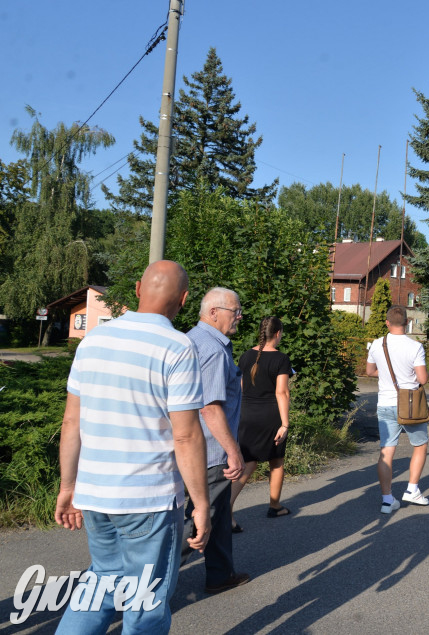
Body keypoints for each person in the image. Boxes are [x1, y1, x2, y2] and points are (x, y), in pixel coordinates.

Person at [54, 260, 210, 634]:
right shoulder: (178, 348)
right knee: (146, 603)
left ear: (138, 289)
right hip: (147, 499)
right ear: (185, 300)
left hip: (95, 493)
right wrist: (202, 503)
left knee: (102, 583)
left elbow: (71, 422)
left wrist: (68, 486)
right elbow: (186, 435)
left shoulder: (92, 341)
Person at [184, 287, 249, 594]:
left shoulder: (197, 340)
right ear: (213, 313)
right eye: (234, 311)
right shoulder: (211, 349)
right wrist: (232, 451)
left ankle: (221, 574)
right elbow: (210, 407)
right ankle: (148, 584)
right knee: (200, 520)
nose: (239, 316)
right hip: (210, 450)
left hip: (199, 447)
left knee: (220, 513)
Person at [365, 305, 429, 514]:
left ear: (387, 322)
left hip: (385, 403)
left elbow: (369, 371)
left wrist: (385, 374)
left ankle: (387, 500)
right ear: (407, 322)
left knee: (386, 451)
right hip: (410, 404)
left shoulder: (376, 344)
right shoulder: (415, 346)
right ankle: (412, 490)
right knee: (420, 445)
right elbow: (423, 379)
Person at [230, 316, 292, 525]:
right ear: (277, 333)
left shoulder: (246, 356)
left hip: (246, 414)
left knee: (247, 463)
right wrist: (285, 423)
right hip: (270, 417)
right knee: (276, 461)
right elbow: (281, 392)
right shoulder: (281, 359)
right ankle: (274, 506)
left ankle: (226, 510)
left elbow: (239, 389)